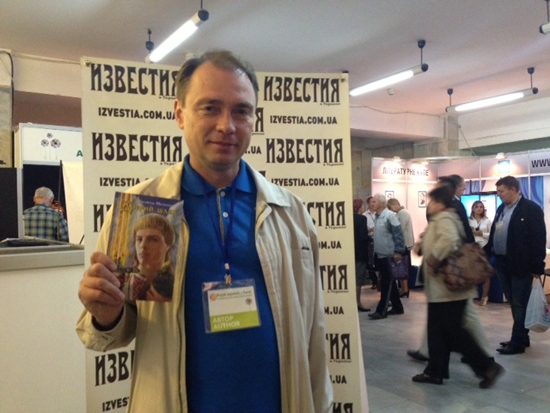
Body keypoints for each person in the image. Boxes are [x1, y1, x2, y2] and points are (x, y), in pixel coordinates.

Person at [76, 50, 333, 412]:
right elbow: (110, 334)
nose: (227, 125)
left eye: (241, 111)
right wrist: (107, 315)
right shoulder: (140, 210)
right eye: (210, 107)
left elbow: (314, 331)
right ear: (180, 113)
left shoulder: (290, 213)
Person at [412, 186, 504, 388]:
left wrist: (433, 260)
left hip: (448, 289)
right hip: (441, 290)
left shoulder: (444, 218)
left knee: (454, 332)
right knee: (437, 332)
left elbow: (449, 240)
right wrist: (421, 246)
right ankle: (435, 372)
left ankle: (487, 367)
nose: (430, 205)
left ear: (439, 203)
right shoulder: (441, 219)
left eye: (432, 201)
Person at [484, 175, 547, 355]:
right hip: (502, 263)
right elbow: (495, 233)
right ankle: (522, 337)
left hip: (521, 265)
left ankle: (517, 342)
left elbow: (539, 238)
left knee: (519, 303)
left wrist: (537, 265)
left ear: (513, 189)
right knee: (513, 302)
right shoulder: (501, 209)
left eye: (501, 191)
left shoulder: (531, 209)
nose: (499, 194)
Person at [117, 214, 176, 301]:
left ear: (168, 245)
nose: (143, 245)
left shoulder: (176, 283)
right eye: (139, 239)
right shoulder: (121, 280)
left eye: (153, 239)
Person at [368, 193, 405, 320]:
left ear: (382, 203)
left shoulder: (389, 216)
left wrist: (398, 251)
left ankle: (381, 310)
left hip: (388, 255)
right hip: (381, 254)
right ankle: (397, 307)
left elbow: (398, 234)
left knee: (386, 283)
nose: (371, 204)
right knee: (389, 282)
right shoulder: (378, 216)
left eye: (374, 202)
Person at [387, 198, 414, 298]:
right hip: (405, 244)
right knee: (402, 266)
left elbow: (399, 229)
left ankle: (405, 289)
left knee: (402, 266)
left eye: (390, 208)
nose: (391, 210)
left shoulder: (402, 213)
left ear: (394, 205)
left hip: (404, 244)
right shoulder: (402, 213)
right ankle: (403, 288)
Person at [469, 201, 492, 305]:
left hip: (484, 247)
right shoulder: (468, 221)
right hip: (472, 248)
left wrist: (482, 234)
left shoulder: (487, 221)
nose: (479, 209)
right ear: (473, 208)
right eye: (477, 207)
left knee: (485, 273)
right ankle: (471, 295)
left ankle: (484, 296)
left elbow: (492, 234)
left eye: (481, 207)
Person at [353, 199, 371, 312]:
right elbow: (363, 237)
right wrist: (370, 237)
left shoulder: (348, 218)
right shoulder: (362, 218)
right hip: (360, 252)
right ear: (360, 207)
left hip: (350, 252)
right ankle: (357, 302)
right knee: (358, 280)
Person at [363, 196, 378, 289]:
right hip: (370, 240)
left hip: (379, 240)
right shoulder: (365, 215)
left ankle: (380, 281)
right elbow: (363, 230)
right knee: (370, 261)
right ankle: (374, 281)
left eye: (374, 202)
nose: (373, 204)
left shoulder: (379, 214)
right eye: (372, 202)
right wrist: (372, 229)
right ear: (368, 204)